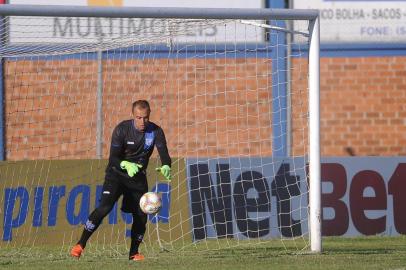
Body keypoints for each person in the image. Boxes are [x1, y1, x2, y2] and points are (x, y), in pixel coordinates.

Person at [70, 100, 171, 261]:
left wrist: (166, 165)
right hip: (116, 174)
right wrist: (125, 164)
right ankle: (80, 245)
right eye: (138, 117)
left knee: (141, 215)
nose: (142, 121)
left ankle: (134, 253)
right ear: (133, 116)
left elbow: (164, 152)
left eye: (145, 118)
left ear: (149, 115)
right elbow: (113, 158)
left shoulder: (156, 131)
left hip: (137, 178)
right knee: (104, 208)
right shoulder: (122, 129)